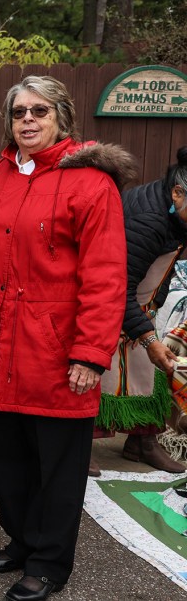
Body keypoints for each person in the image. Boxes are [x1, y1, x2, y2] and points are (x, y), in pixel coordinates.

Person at [0, 76, 134, 601]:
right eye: (19, 113)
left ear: (62, 117)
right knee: (6, 462)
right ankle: (21, 542)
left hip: (57, 354)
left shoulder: (90, 185)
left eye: (39, 111)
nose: (28, 120)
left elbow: (106, 276)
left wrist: (91, 353)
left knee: (57, 470)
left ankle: (49, 562)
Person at [94, 149, 187, 475]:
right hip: (109, 298)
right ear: (178, 193)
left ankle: (142, 442)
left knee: (147, 376)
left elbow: (165, 266)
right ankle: (78, 446)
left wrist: (154, 307)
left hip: (140, 301)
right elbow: (117, 287)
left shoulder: (177, 209)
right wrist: (148, 338)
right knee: (97, 372)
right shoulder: (148, 220)